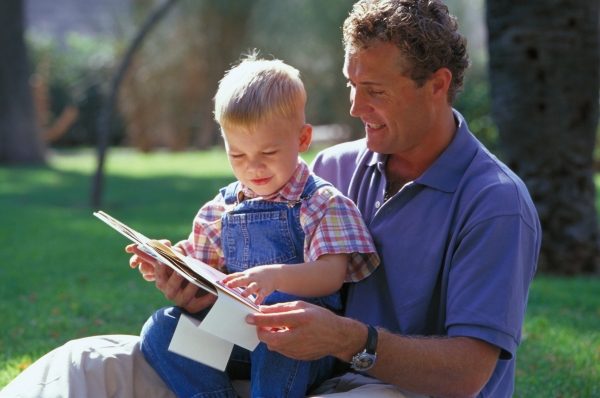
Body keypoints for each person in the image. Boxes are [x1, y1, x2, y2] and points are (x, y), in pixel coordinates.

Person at [1, 1, 541, 397]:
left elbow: (468, 374)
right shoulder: (331, 168)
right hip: (265, 361)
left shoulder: (494, 203)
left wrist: (346, 341)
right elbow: (248, 293)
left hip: (390, 389)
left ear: (437, 85)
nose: (355, 108)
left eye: (374, 91)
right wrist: (198, 292)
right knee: (88, 364)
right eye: (351, 85)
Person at [131, 54, 379, 398]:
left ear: (303, 139)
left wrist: (273, 278)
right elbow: (201, 269)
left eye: (269, 152)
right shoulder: (220, 210)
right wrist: (165, 261)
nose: (254, 167)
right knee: (161, 329)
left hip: (304, 350)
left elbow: (331, 274)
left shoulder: (322, 203)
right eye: (239, 156)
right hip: (235, 344)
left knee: (279, 311)